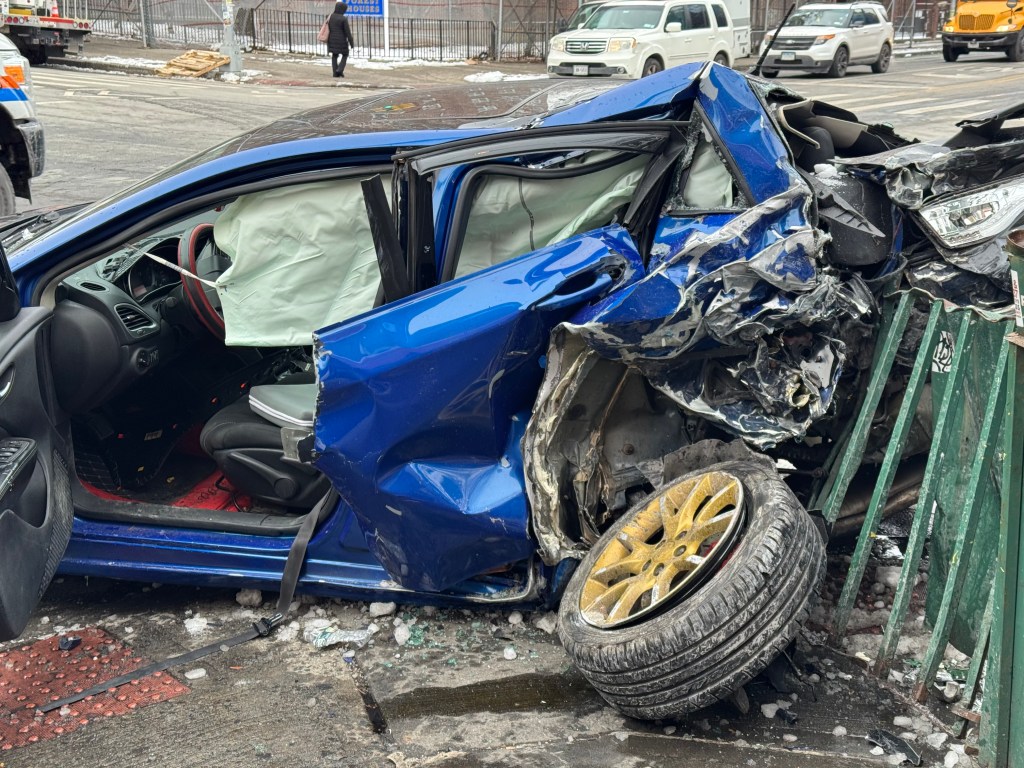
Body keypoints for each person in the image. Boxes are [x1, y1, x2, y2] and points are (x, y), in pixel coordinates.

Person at [327, 2, 355, 78]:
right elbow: (348, 32)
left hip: (331, 39)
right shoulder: (343, 19)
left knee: (334, 55)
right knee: (345, 54)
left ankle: (335, 73)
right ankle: (340, 69)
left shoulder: (330, 17)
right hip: (342, 40)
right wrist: (351, 43)